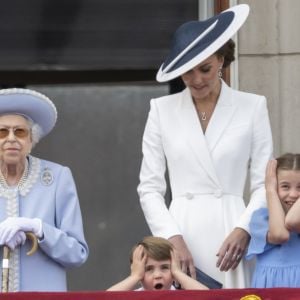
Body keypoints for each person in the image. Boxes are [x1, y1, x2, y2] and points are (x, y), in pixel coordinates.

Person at [137, 4, 273, 288]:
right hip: (180, 232)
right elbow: (149, 187)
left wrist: (244, 228)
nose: (196, 80)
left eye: (205, 68)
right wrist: (171, 238)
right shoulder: (161, 109)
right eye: (187, 72)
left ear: (222, 59)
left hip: (231, 234)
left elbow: (264, 183)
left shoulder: (253, 106)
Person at [0, 88, 89, 291]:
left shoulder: (58, 177)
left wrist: (39, 229)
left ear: (32, 140)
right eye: (2, 132)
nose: (11, 139)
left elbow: (77, 254)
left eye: (20, 132)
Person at [246, 154, 300, 287]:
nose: (293, 194)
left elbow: (292, 221)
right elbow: (280, 234)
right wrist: (270, 190)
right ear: (275, 186)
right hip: (270, 288)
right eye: (285, 186)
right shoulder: (260, 218)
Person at [107, 236, 208, 291]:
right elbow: (105, 298)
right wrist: (134, 276)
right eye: (149, 269)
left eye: (164, 267)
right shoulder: (134, 296)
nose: (158, 275)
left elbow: (208, 297)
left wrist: (178, 273)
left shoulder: (180, 296)